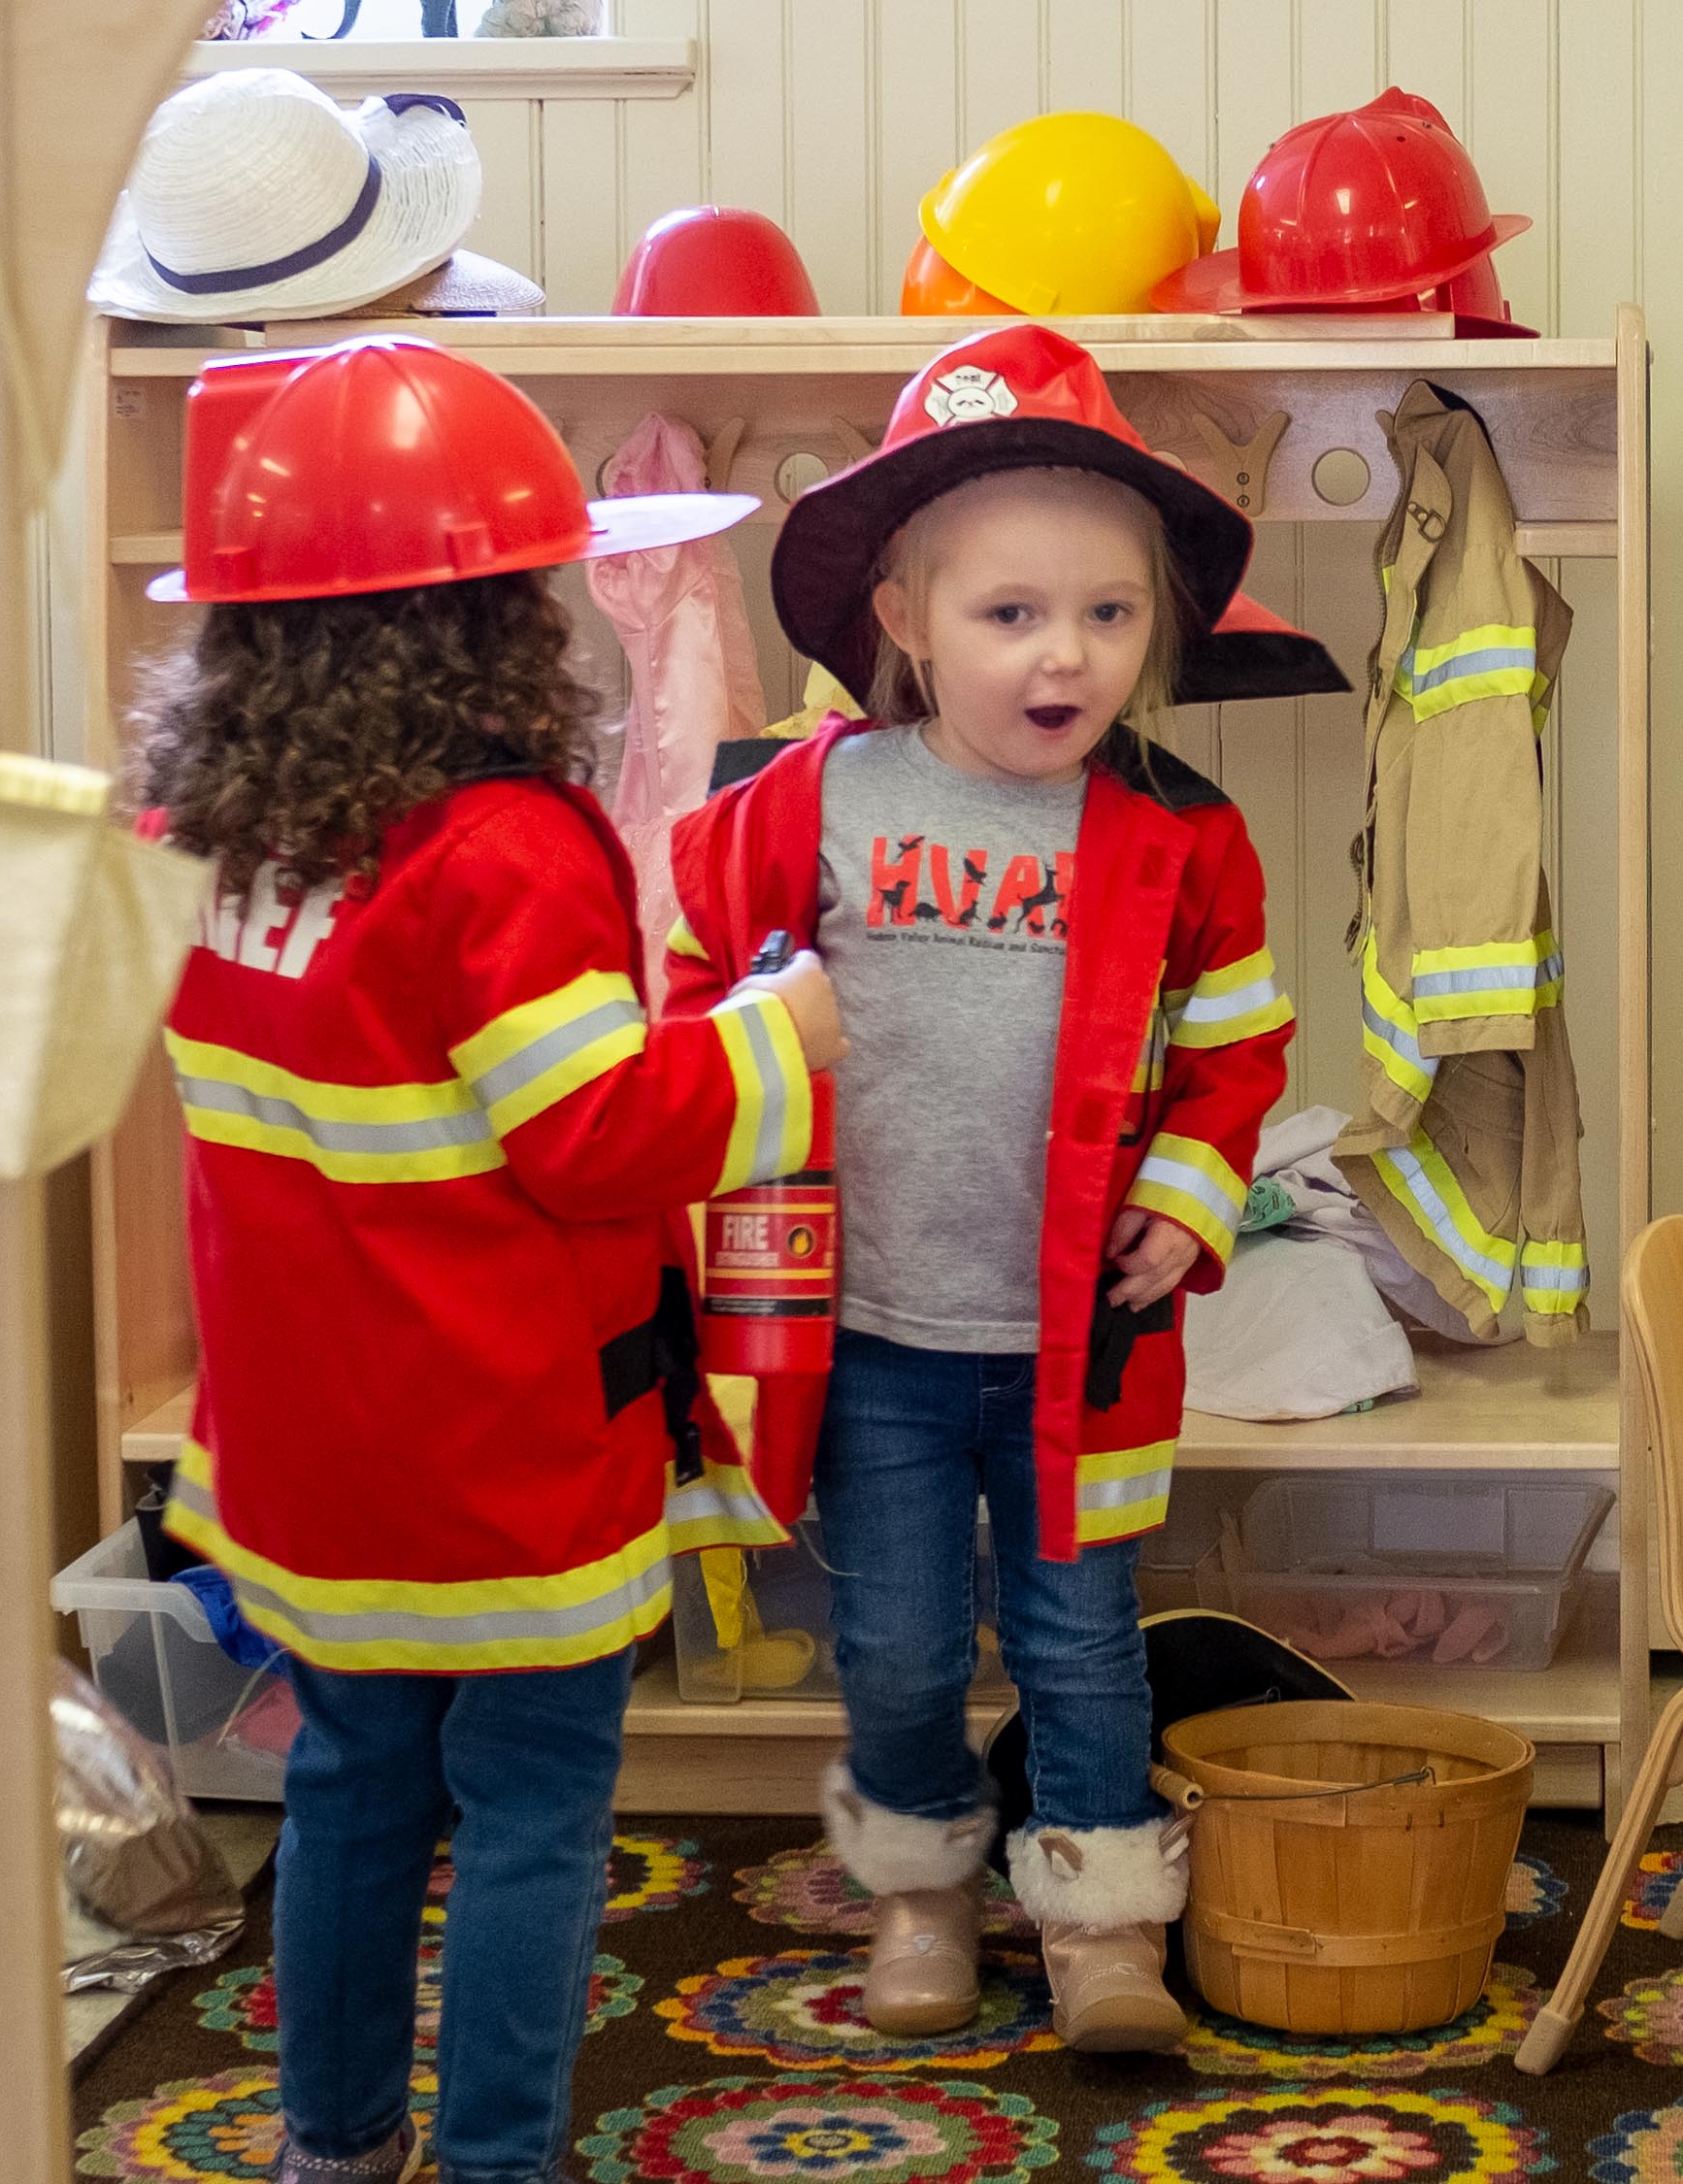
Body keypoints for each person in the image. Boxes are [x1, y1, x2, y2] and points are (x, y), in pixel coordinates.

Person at [129, 335, 843, 2184]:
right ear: (485, 618)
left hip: (312, 1454)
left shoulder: (210, 835)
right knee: (533, 1815)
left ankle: (333, 2148)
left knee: (353, 1792)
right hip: (504, 1449)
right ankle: (503, 2157)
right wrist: (782, 1033)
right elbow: (593, 1133)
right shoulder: (500, 853)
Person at [666, 324, 1292, 2053]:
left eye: (1107, 612)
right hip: (865, 1331)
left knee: (1088, 1642)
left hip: (1074, 1336)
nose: (1064, 653)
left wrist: (1193, 1181)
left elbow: (1240, 1051)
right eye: (1009, 613)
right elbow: (684, 1015)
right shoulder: (799, 812)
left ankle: (1100, 1924)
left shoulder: (1181, 838)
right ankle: (926, 1890)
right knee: (901, 1645)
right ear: (903, 615)